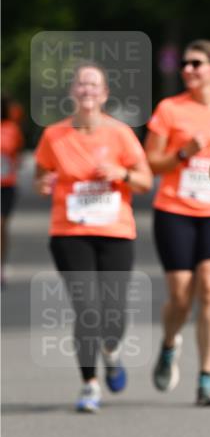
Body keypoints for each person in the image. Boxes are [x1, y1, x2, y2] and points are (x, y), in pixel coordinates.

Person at [34, 63, 152, 413]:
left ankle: (111, 351)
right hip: (70, 233)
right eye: (81, 84)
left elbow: (145, 181)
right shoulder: (54, 135)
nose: (87, 90)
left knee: (113, 314)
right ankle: (89, 384)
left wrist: (121, 173)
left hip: (115, 232)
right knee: (86, 310)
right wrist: (43, 183)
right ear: (73, 92)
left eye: (94, 85)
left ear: (104, 95)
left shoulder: (120, 134)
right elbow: (42, 173)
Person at [145, 39, 210, 405]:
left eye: (197, 63)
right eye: (185, 63)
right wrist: (183, 152)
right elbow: (150, 162)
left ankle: (206, 378)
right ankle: (170, 343)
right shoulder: (170, 109)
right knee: (181, 294)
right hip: (175, 210)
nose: (188, 69)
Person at [1, 94, 24, 284]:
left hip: (5, 184)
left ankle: (1, 265)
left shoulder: (11, 129)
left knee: (1, 226)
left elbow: (17, 154)